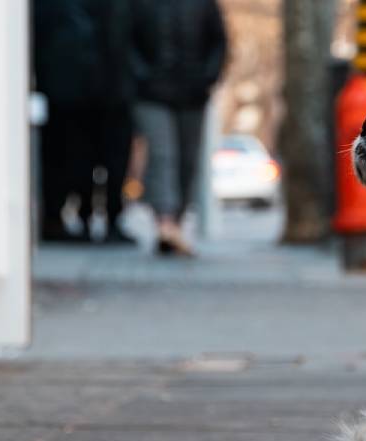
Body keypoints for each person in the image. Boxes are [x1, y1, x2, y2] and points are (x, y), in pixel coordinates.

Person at [33, 0, 136, 244]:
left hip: (111, 90)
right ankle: (64, 218)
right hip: (69, 92)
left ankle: (107, 218)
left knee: (111, 159)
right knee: (71, 160)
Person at [130, 0, 228, 256]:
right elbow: (126, 41)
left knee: (187, 159)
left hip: (192, 95)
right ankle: (165, 222)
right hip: (151, 94)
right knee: (163, 155)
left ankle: (176, 222)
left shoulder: (203, 5)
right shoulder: (140, 5)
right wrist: (142, 78)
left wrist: (207, 78)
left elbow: (219, 41)